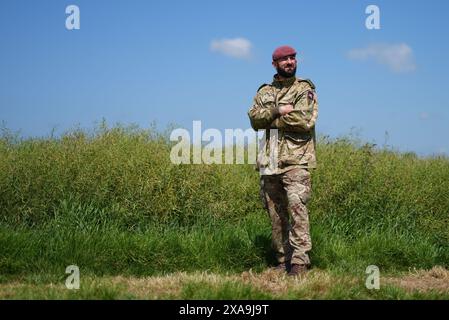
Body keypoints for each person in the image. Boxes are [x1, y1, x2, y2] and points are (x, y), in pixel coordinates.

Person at [247, 45, 318, 276]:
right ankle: (282, 260)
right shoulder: (264, 92)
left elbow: (305, 120)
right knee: (276, 213)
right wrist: (278, 111)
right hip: (270, 162)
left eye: (293, 58)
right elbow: (254, 119)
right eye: (284, 59)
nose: (290, 62)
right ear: (274, 64)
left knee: (297, 207)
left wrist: (271, 119)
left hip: (296, 159)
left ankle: (299, 262)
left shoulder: (304, 88)